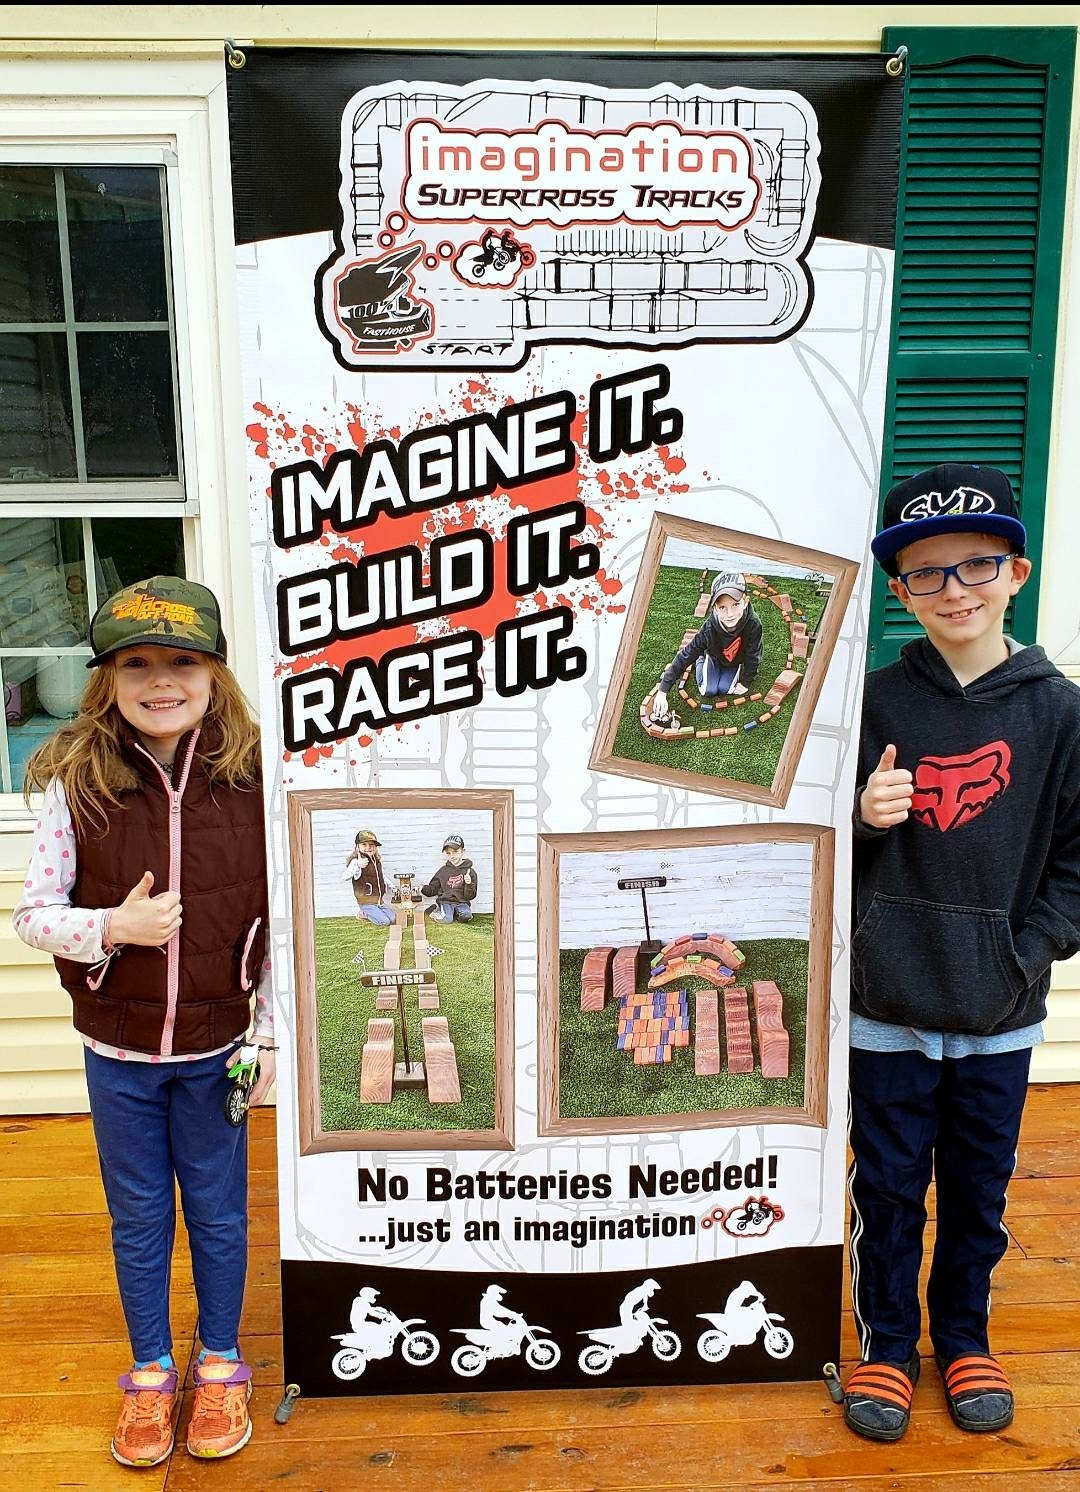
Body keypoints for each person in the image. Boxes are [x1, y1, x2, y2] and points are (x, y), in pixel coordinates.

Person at [13, 576, 273, 1468]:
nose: (159, 681)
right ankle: (153, 1374)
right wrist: (109, 930)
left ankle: (223, 1363)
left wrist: (266, 1032)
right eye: (136, 664)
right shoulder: (73, 782)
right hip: (117, 1055)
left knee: (219, 1213)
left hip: (219, 1049)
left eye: (180, 661)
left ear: (213, 673)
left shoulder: (253, 781)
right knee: (136, 1219)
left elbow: (280, 920)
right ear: (107, 678)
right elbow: (33, 912)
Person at [845, 465, 1080, 1442]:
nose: (954, 590)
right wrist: (861, 819)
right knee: (890, 1186)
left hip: (997, 1014)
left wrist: (1020, 957)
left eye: (975, 565)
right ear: (899, 591)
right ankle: (890, 1343)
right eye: (927, 574)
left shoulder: (1059, 712)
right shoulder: (870, 705)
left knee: (979, 1188)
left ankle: (965, 1332)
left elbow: (1075, 862)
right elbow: (809, 842)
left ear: (1015, 571)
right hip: (886, 1004)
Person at [650, 571, 763, 724]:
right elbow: (686, 654)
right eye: (722, 607)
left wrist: (746, 681)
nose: (730, 614)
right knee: (708, 690)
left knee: (726, 689)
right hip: (714, 657)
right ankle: (701, 658)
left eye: (735, 605)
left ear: (746, 601)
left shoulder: (753, 624)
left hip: (734, 661)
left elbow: (753, 654)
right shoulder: (709, 629)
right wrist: (663, 690)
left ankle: (729, 671)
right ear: (715, 608)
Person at [342, 829, 393, 925]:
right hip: (366, 902)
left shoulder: (376, 861)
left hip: (379, 902)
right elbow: (345, 877)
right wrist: (357, 864)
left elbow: (382, 876)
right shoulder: (356, 862)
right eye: (364, 845)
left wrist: (392, 887)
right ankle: (364, 913)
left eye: (371, 845)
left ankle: (376, 911)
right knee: (385, 921)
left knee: (393, 919)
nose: (368, 847)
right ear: (357, 847)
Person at [422, 833, 476, 923]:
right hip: (446, 901)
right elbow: (433, 889)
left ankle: (453, 913)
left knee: (466, 916)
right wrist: (423, 888)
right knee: (447, 919)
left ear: (463, 851)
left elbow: (470, 896)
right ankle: (433, 911)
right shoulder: (443, 871)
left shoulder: (470, 872)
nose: (452, 856)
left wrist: (469, 884)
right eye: (448, 853)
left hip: (462, 902)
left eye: (455, 852)